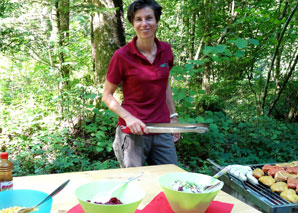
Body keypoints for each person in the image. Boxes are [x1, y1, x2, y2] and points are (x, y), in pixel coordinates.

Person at [102, 0, 179, 168]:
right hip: (133, 132)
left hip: (161, 127)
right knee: (135, 182)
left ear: (157, 21)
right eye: (138, 19)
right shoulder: (122, 56)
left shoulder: (165, 50)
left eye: (149, 18)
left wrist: (173, 116)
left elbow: (164, 83)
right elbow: (106, 95)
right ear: (132, 23)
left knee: (171, 177)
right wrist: (129, 118)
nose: (144, 24)